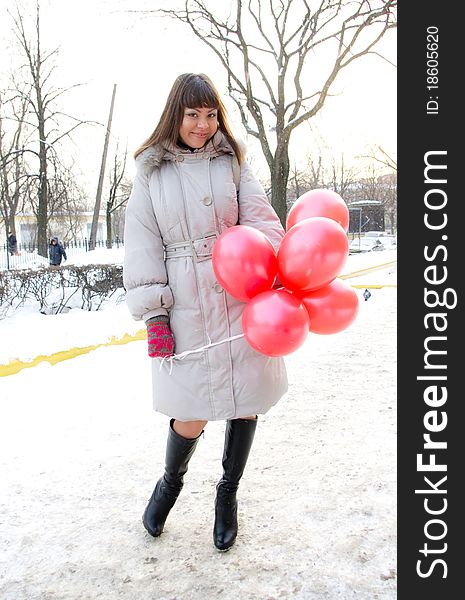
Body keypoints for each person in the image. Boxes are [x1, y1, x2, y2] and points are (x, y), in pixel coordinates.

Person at [123, 73, 288, 551]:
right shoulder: (151, 172)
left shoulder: (232, 160)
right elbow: (142, 244)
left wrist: (272, 267)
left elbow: (261, 218)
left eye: (211, 114)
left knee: (246, 401)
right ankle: (170, 483)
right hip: (186, 303)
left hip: (241, 296)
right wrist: (155, 315)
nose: (202, 124)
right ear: (176, 114)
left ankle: (228, 495)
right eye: (193, 114)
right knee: (189, 411)